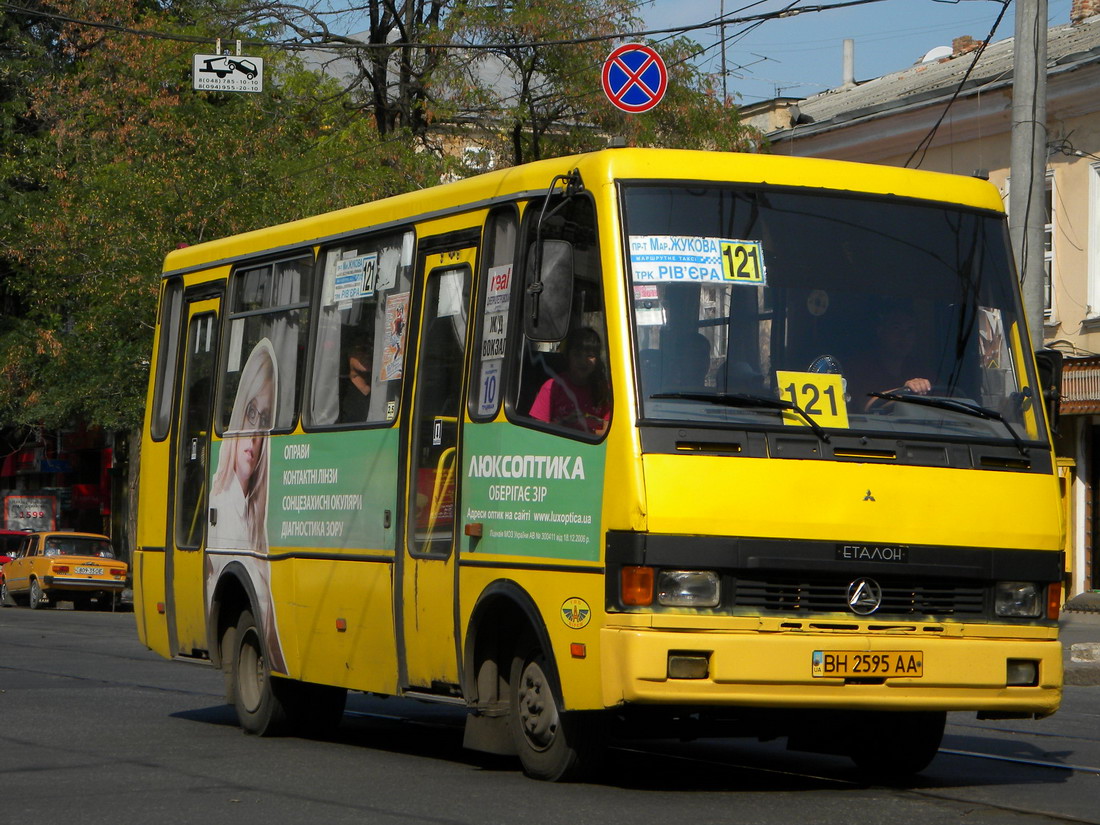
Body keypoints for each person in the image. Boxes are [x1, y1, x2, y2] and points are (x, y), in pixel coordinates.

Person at [207, 338, 285, 671]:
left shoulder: (255, 507)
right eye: (251, 413)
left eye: (265, 420)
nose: (254, 435)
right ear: (239, 410)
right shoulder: (223, 504)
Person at [529, 326, 611, 435]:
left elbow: (609, 431)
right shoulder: (551, 387)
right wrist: (564, 423)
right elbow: (536, 432)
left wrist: (587, 433)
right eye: (577, 355)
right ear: (568, 357)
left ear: (597, 358)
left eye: (590, 356)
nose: (583, 361)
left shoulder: (604, 390)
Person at [846, 307, 932, 408]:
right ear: (881, 331)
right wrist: (905, 392)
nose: (904, 336)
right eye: (896, 328)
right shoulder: (860, 368)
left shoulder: (919, 370)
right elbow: (863, 405)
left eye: (910, 329)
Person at [340, 344, 372, 421]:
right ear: (349, 355)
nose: (367, 354)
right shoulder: (341, 394)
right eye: (361, 350)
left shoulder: (382, 391)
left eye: (370, 350)